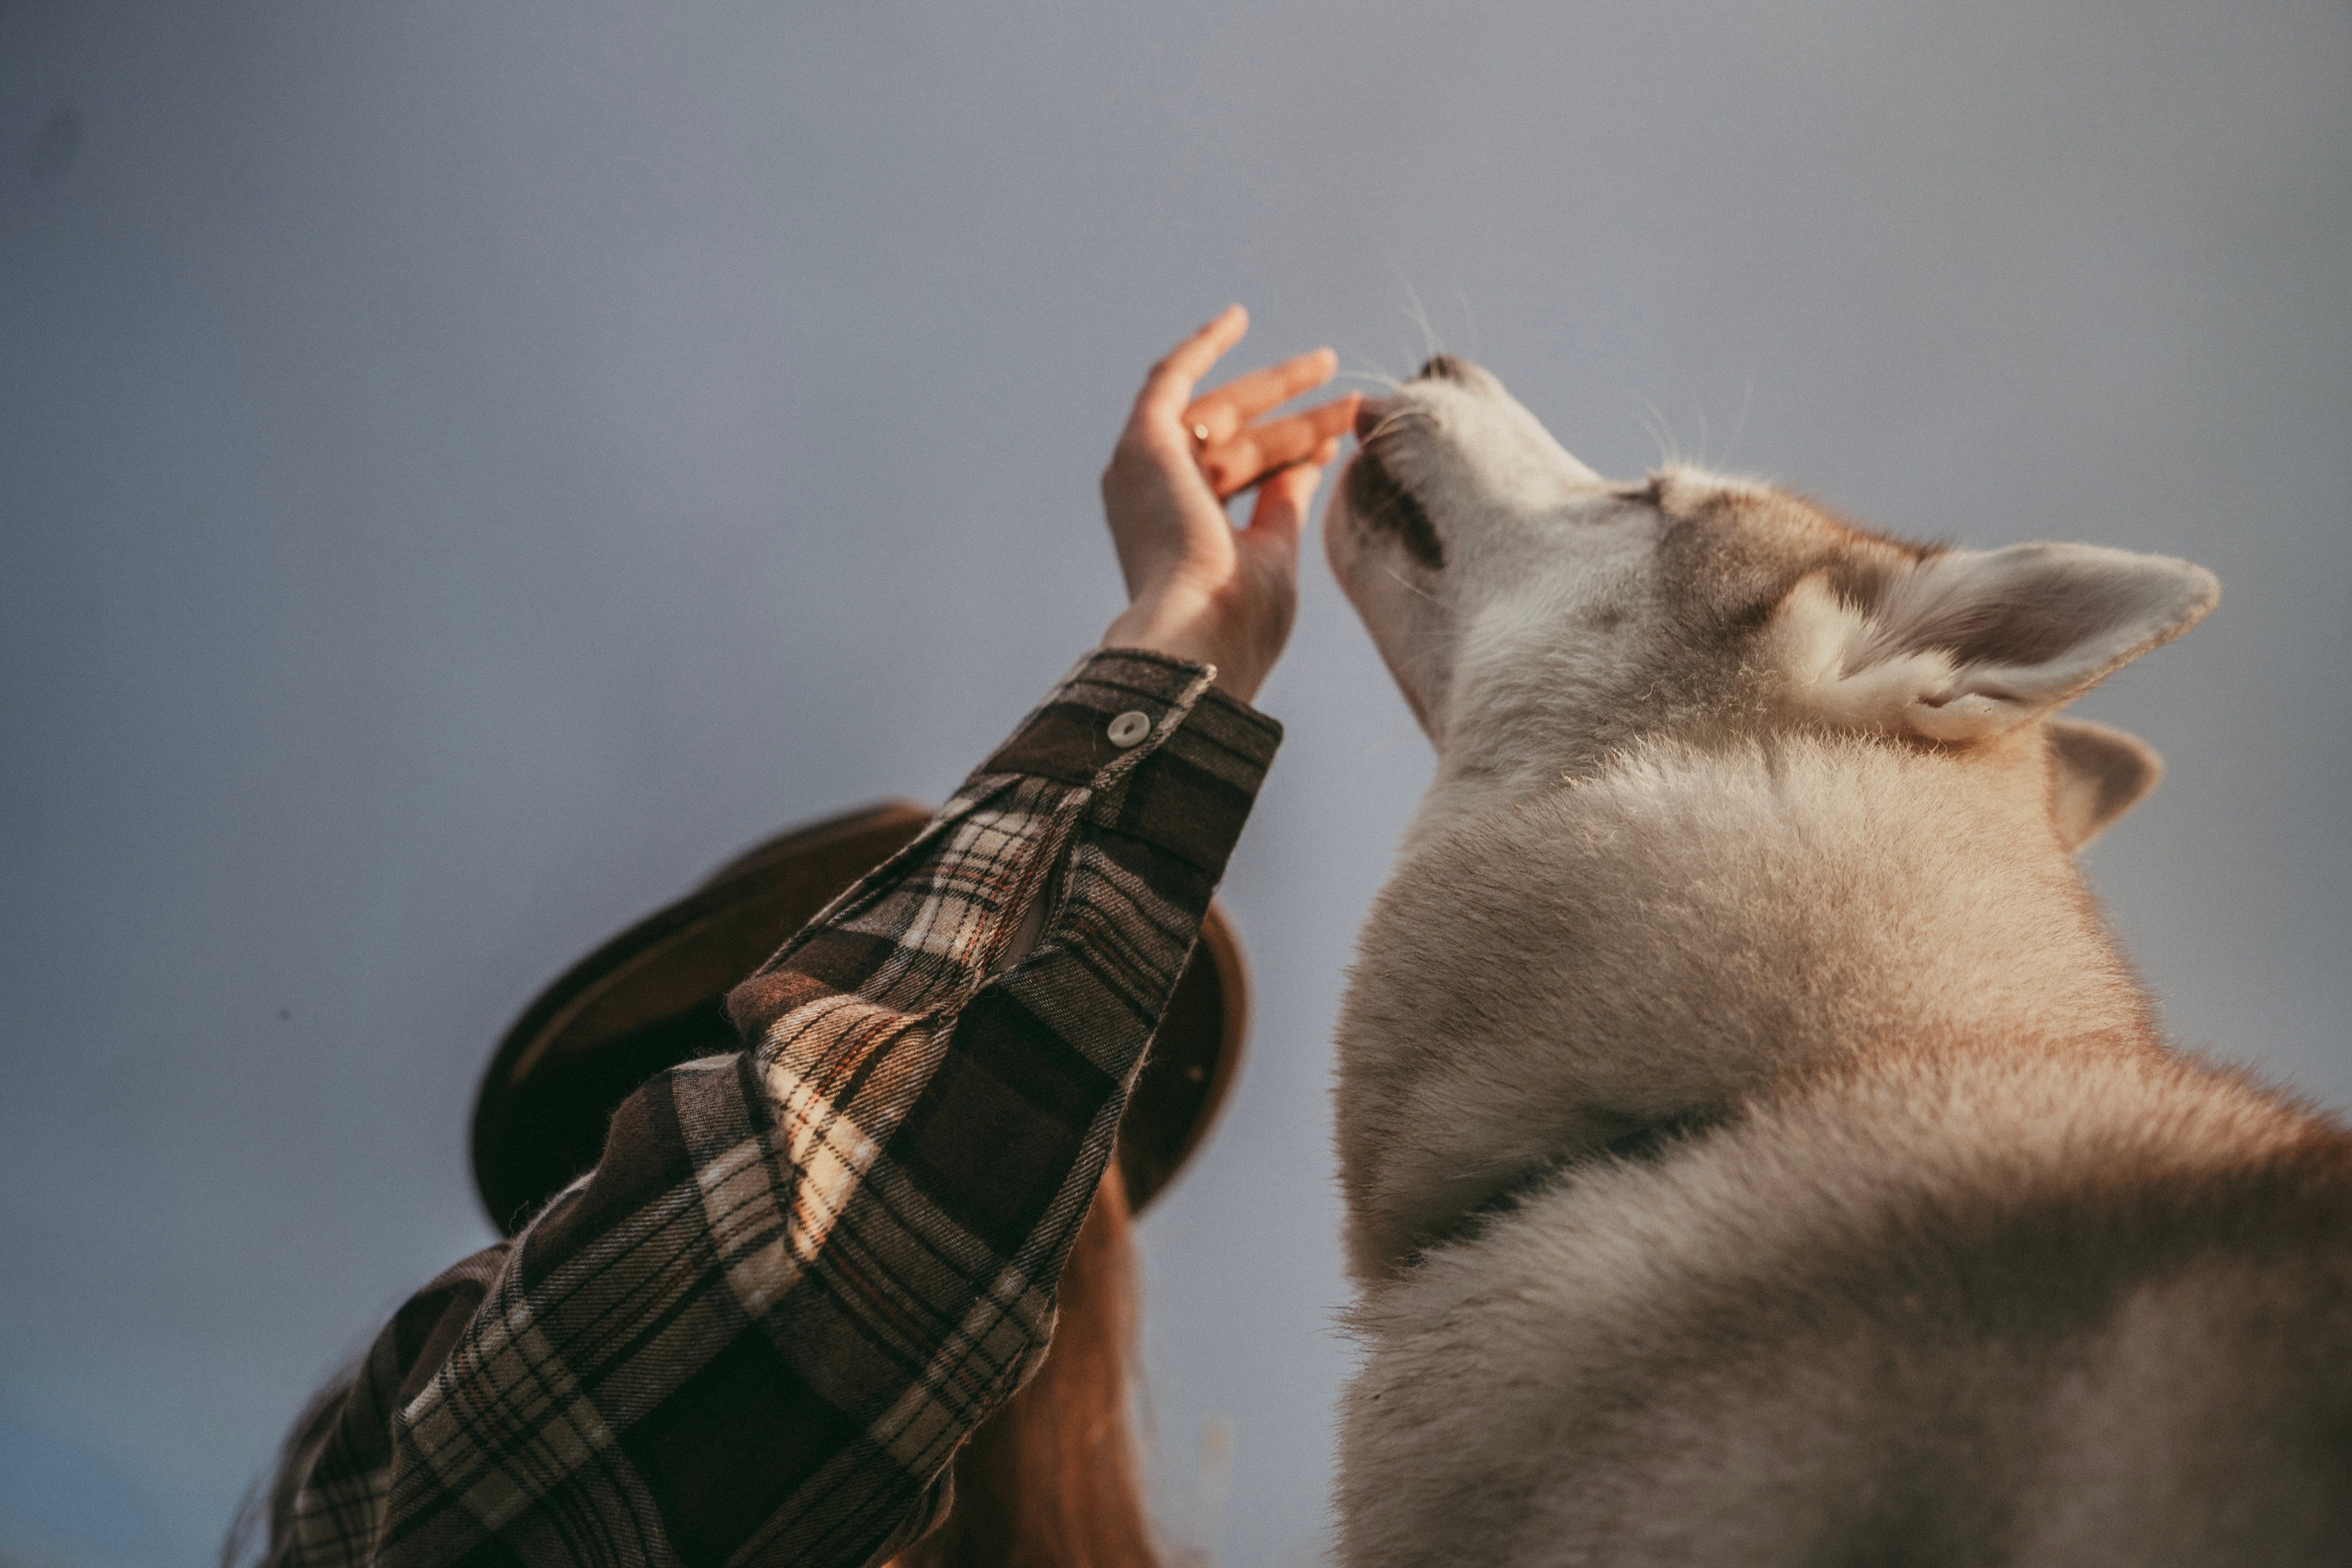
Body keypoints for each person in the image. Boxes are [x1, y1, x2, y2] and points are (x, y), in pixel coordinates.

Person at [239, 306, 1358, 1568]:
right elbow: (786, 1273)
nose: (904, 1075)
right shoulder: (433, 1457)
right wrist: (1183, 632)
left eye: (1017, 1085)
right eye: (799, 1035)